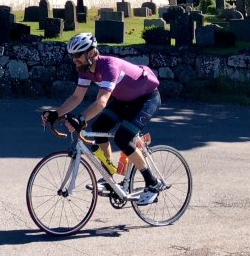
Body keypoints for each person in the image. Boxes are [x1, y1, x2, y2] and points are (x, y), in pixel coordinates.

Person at [40, 31, 163, 205]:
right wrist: (56, 113)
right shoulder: (85, 69)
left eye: (77, 55)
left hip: (146, 98)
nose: (74, 60)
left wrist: (81, 119)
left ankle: (152, 183)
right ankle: (109, 176)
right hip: (124, 100)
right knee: (99, 128)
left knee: (123, 138)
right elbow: (76, 97)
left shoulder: (109, 66)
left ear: (90, 53)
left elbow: (103, 100)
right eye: (72, 56)